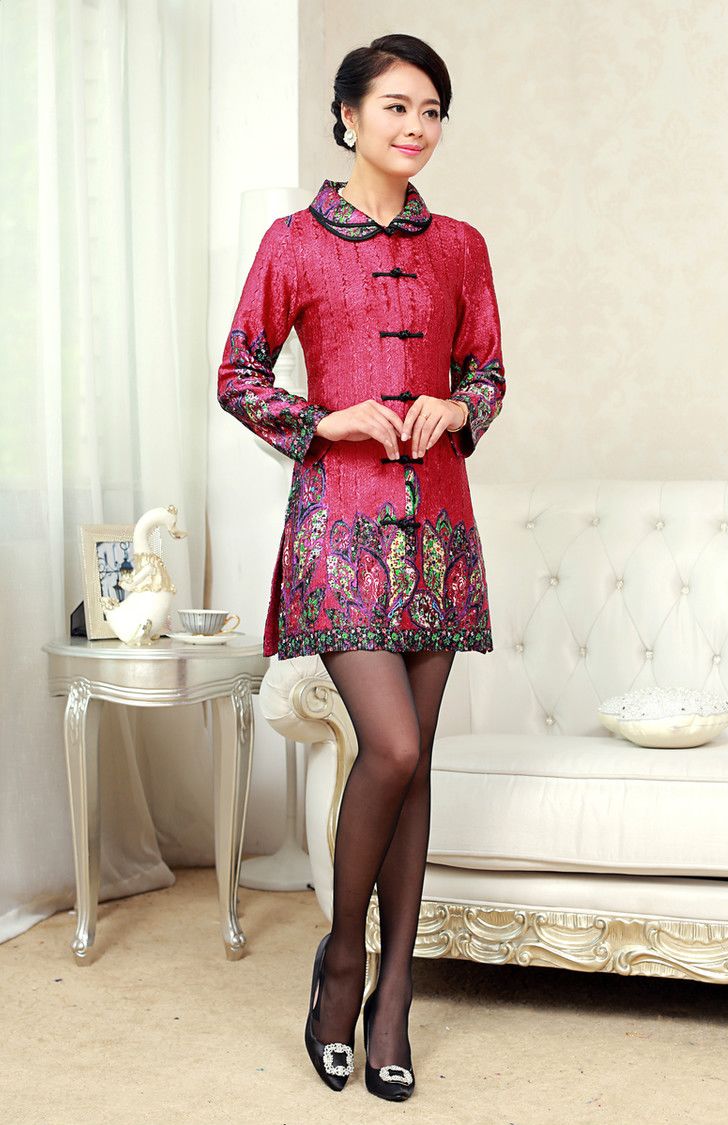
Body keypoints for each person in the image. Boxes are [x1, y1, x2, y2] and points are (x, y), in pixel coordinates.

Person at [217, 32, 507, 1102]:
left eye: (431, 110)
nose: (415, 127)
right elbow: (238, 372)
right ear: (347, 116)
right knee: (391, 745)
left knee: (414, 764)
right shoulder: (294, 242)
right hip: (338, 529)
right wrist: (323, 418)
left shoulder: (461, 246)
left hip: (439, 531)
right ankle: (343, 959)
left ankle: (393, 998)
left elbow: (489, 371)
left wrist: (456, 408)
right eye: (395, 106)